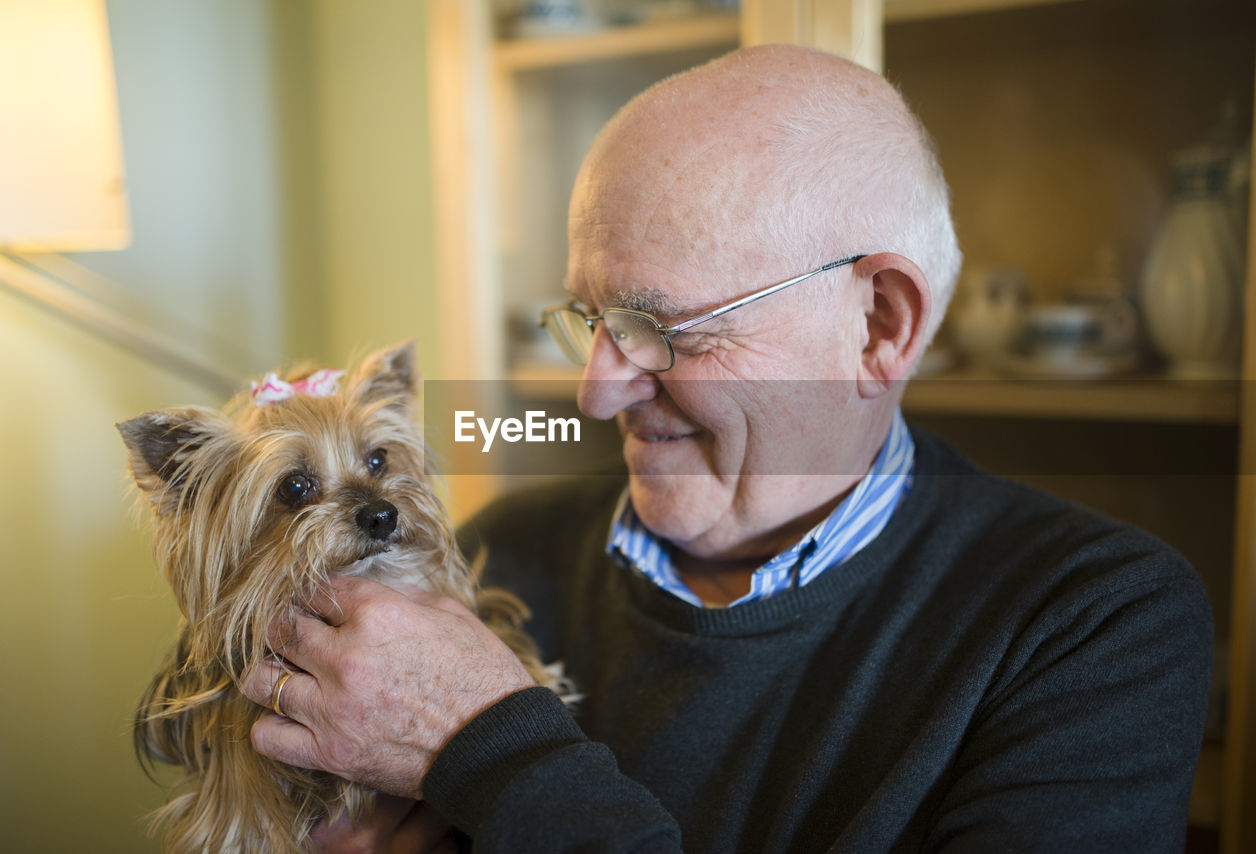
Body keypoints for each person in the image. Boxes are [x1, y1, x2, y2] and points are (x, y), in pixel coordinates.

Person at [241, 44, 1212, 852]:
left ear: (878, 326)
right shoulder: (500, 553)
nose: (597, 387)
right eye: (589, 320)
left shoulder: (1093, 620)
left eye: (661, 326)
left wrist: (490, 748)